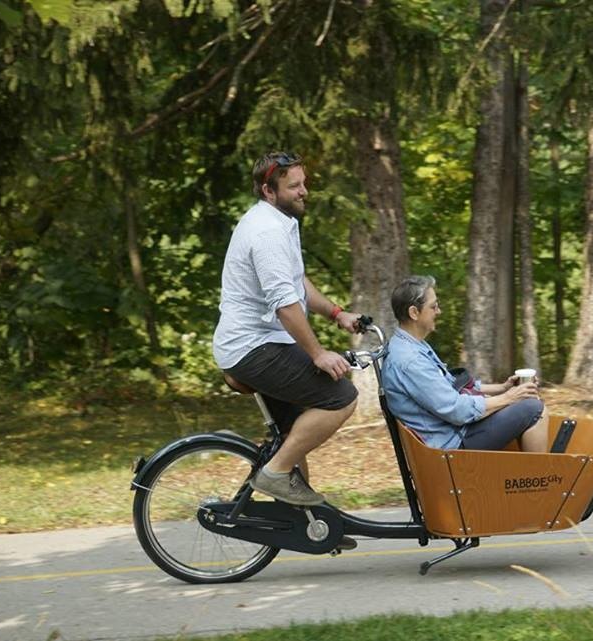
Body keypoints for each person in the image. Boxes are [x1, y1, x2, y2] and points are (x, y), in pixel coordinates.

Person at [213, 151, 362, 511]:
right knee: (341, 396)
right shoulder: (265, 232)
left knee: (293, 430)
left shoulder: (280, 222)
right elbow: (285, 304)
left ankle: (309, 523)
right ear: (268, 190)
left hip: (260, 344)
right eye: (294, 185)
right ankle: (276, 472)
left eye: (304, 182)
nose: (304, 191)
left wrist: (336, 312)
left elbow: (296, 282)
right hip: (252, 348)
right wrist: (318, 354)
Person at [381, 275, 549, 452]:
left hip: (455, 431)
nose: (438, 311)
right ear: (414, 312)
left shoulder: (411, 346)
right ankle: (539, 479)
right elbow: (456, 411)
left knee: (527, 403)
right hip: (454, 444)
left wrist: (503, 388)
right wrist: (509, 398)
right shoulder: (410, 361)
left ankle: (532, 476)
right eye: (433, 306)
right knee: (534, 409)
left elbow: (451, 386)